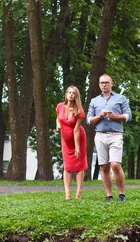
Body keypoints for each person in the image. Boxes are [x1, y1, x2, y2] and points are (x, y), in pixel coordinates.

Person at [86, 74, 132, 202]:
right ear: (99, 84)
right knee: (104, 166)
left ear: (112, 84)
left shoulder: (120, 98)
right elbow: (89, 120)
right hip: (100, 135)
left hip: (115, 135)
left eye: (106, 82)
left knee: (115, 165)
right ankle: (109, 195)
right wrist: (99, 116)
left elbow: (128, 116)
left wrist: (115, 117)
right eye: (101, 83)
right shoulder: (94, 101)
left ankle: (122, 194)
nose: (104, 85)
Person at [56, 86, 88, 200]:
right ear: (66, 94)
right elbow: (58, 118)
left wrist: (77, 147)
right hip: (65, 140)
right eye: (69, 92)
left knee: (79, 166)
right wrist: (58, 124)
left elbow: (76, 130)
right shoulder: (60, 106)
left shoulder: (79, 111)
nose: (70, 94)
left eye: (73, 93)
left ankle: (78, 193)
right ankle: (67, 193)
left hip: (78, 139)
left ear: (76, 96)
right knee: (67, 167)